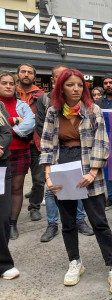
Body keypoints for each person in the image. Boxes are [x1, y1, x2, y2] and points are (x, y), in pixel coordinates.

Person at [40, 68, 112, 294]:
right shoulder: (53, 111)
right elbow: (47, 143)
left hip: (89, 166)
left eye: (80, 84)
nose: (76, 89)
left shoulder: (93, 109)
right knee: (67, 221)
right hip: (62, 166)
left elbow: (101, 142)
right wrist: (48, 175)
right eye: (70, 85)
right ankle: (74, 262)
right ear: (61, 88)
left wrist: (93, 172)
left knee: (99, 221)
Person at [36, 65, 93, 243]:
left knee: (78, 188)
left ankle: (80, 220)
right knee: (52, 189)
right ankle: (52, 224)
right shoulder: (46, 102)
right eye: (68, 82)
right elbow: (42, 127)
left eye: (78, 84)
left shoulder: (89, 109)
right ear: (57, 82)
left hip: (80, 153)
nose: (74, 87)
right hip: (57, 152)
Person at [0, 72, 35, 240]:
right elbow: (20, 124)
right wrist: (15, 120)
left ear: (16, 86)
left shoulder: (22, 105)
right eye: (4, 83)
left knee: (16, 189)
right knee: (1, 191)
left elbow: (30, 125)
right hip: (1, 153)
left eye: (11, 83)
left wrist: (6, 130)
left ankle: (12, 223)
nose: (8, 86)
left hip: (21, 151)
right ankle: (3, 222)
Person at [16, 63, 45, 222]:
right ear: (18, 74)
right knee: (13, 181)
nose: (26, 75)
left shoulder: (42, 95)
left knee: (39, 180)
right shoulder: (10, 92)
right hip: (13, 144)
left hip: (36, 144)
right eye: (23, 72)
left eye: (29, 72)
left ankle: (34, 207)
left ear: (34, 76)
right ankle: (10, 210)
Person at [0, 82, 19, 280]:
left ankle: (3, 263)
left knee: (2, 216)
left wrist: (0, 148)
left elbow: (6, 132)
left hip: (0, 165)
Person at [96, 74, 112, 207]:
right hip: (104, 137)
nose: (108, 85)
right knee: (107, 168)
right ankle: (111, 196)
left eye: (111, 82)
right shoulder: (99, 102)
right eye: (105, 83)